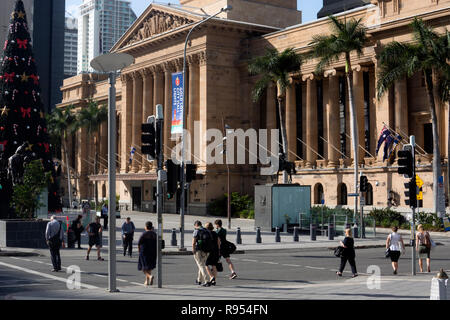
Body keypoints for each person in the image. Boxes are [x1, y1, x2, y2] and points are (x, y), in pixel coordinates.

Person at [192, 221, 213, 287]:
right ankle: (199, 280)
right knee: (202, 265)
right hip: (207, 251)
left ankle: (207, 280)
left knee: (201, 265)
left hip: (199, 250)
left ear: (196, 225)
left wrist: (193, 250)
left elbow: (193, 242)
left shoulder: (196, 231)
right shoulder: (207, 230)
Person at [138, 221, 157, 286]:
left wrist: (139, 251)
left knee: (143, 268)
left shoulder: (144, 234)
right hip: (153, 253)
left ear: (146, 227)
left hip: (144, 252)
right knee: (149, 267)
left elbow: (139, 243)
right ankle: (147, 281)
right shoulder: (154, 234)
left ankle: (149, 276)